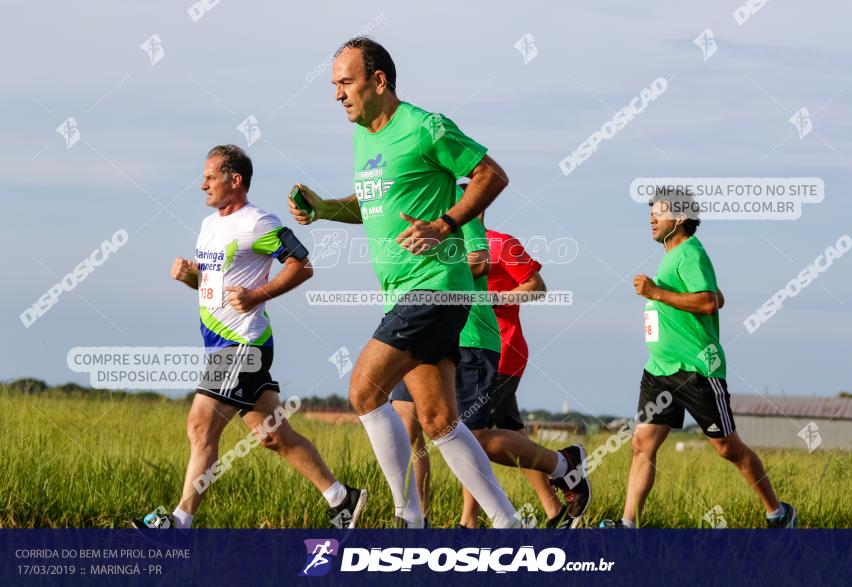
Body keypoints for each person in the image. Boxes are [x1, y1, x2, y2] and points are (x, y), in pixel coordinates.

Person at [288, 37, 522, 528]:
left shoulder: (424, 126)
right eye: (334, 85)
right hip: (408, 292)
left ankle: (407, 518)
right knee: (439, 423)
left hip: (434, 286)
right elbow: (373, 203)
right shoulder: (363, 136)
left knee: (364, 390)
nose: (337, 95)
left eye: (346, 82)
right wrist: (326, 208)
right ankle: (508, 525)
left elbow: (490, 174)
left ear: (378, 81)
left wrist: (446, 224)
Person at [132, 145, 368, 529]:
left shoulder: (259, 222)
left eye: (210, 177)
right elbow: (215, 290)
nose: (202, 184)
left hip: (243, 345)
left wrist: (259, 295)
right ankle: (342, 499)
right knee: (273, 435)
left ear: (234, 180)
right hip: (221, 345)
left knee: (200, 425)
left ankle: (178, 523)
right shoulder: (209, 226)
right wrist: (190, 277)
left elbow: (302, 264)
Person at [391, 189, 590, 529]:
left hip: (497, 349)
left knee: (471, 437)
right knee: (491, 432)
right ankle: (554, 505)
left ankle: (470, 521)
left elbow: (537, 287)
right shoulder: (436, 243)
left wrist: (491, 296)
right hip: (439, 343)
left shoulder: (501, 244)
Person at [599, 188, 796, 528]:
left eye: (659, 212)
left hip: (696, 370)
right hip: (659, 370)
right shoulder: (673, 256)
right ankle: (627, 526)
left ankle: (778, 514)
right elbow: (717, 296)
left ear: (679, 218)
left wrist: (654, 292)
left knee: (726, 447)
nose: (651, 218)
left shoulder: (690, 252)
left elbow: (707, 301)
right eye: (651, 212)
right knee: (641, 445)